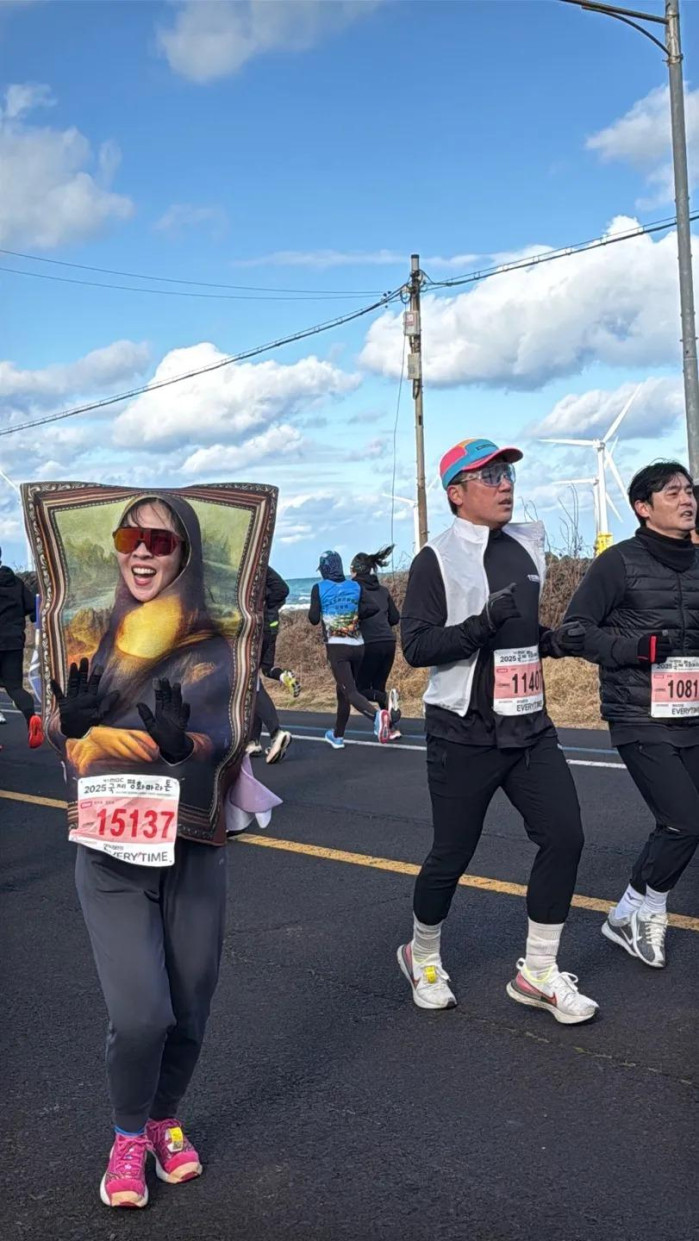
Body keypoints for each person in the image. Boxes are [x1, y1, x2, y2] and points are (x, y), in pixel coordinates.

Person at [47, 493, 267, 1209]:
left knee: (192, 1006)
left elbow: (229, 731)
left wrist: (187, 743)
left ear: (186, 554)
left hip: (193, 845)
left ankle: (165, 1116)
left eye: (160, 541)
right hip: (111, 848)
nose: (141, 551)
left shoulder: (216, 641)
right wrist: (66, 726)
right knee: (142, 1012)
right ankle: (126, 1133)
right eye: (128, 535)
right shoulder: (85, 630)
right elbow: (63, 732)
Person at [397, 437, 596, 1023]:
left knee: (565, 837)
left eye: (507, 472)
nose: (505, 483)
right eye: (489, 476)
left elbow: (522, 637)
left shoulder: (527, 546)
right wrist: (481, 624)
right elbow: (417, 646)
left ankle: (538, 972)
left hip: (530, 726)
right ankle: (422, 954)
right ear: (457, 495)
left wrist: (558, 643)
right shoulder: (436, 558)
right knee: (451, 853)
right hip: (463, 732)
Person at [564, 461, 699, 969]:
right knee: (685, 822)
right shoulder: (618, 563)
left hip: (692, 711)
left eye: (689, 491)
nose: (686, 500)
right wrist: (638, 649)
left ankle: (625, 913)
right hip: (639, 712)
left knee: (680, 823)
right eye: (672, 493)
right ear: (643, 508)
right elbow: (575, 631)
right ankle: (647, 911)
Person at [309, 550, 400, 748]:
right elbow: (373, 608)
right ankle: (338, 736)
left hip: (337, 647)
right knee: (343, 691)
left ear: (324, 569)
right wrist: (354, 615)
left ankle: (378, 718)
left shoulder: (319, 588)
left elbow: (313, 618)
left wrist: (331, 612)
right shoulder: (354, 586)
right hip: (358, 646)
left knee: (350, 691)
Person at [246, 567, 296, 764]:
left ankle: (276, 732)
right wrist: (270, 608)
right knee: (258, 675)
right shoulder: (260, 566)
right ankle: (253, 741)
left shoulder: (246, 570)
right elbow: (282, 589)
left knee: (250, 682)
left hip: (254, 630)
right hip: (270, 627)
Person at [351, 546, 401, 723]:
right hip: (389, 642)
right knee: (378, 687)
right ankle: (390, 726)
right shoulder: (383, 590)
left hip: (369, 643)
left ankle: (387, 700)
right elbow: (395, 618)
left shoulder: (354, 590)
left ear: (355, 571)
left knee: (358, 689)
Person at [0, 546, 43, 746]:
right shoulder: (16, 582)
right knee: (15, 687)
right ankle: (31, 717)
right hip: (14, 642)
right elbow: (33, 608)